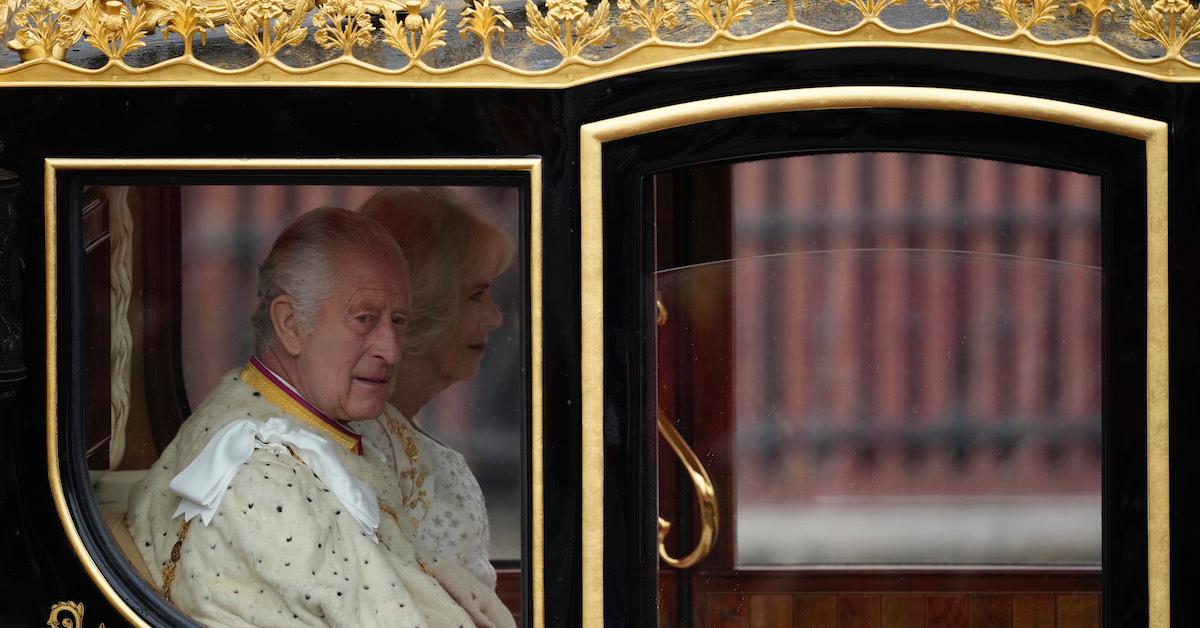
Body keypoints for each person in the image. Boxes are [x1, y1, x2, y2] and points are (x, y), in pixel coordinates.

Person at [126, 207, 507, 627]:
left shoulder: (302, 427)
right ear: (290, 324)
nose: (392, 350)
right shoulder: (261, 475)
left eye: (398, 322)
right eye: (365, 319)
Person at [354, 189, 514, 626]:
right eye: (477, 295)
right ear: (421, 302)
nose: (496, 317)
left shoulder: (398, 443)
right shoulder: (358, 449)